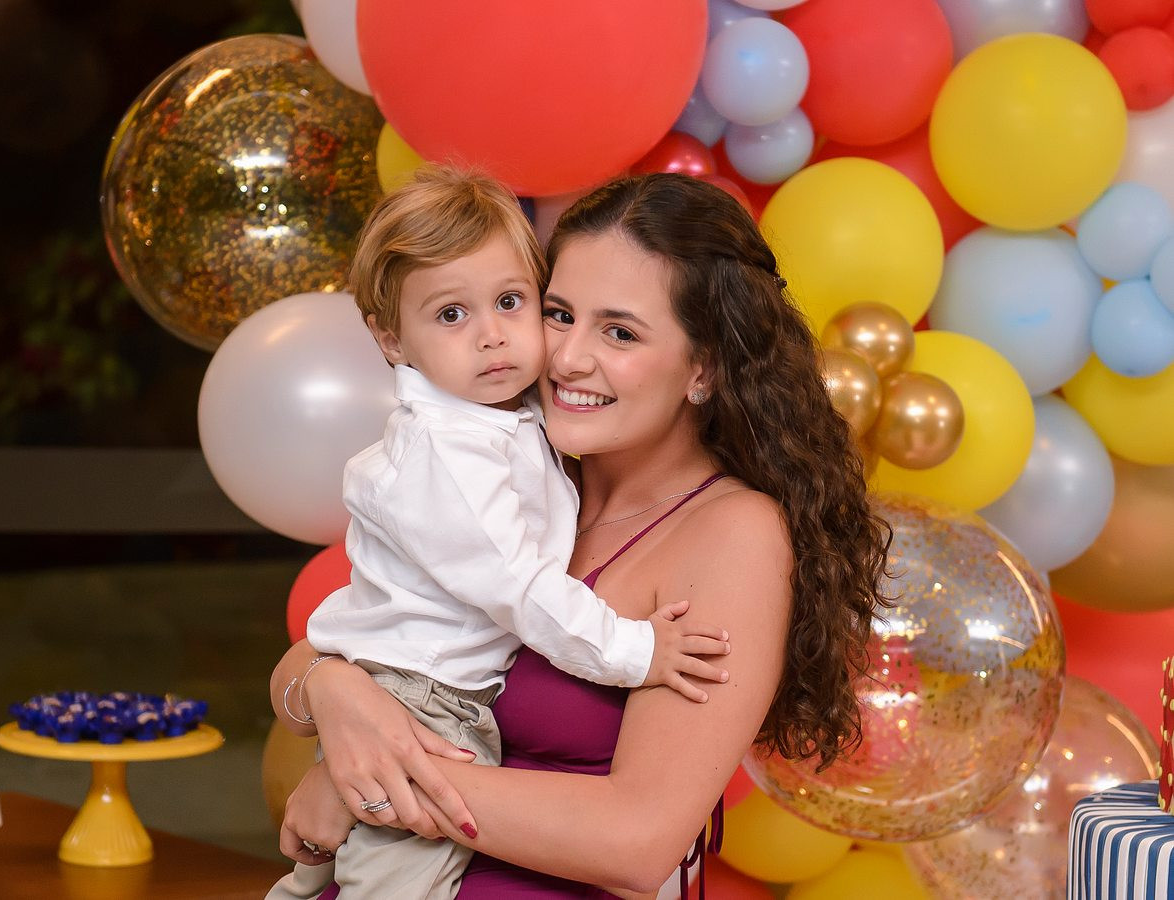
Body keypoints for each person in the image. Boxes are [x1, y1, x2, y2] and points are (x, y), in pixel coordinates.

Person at [270, 173, 891, 898]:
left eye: (620, 332)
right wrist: (337, 691)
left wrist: (373, 783)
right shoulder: (514, 471)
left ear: (704, 367)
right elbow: (319, 655)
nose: (568, 358)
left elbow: (637, 841)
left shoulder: (733, 533)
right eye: (559, 314)